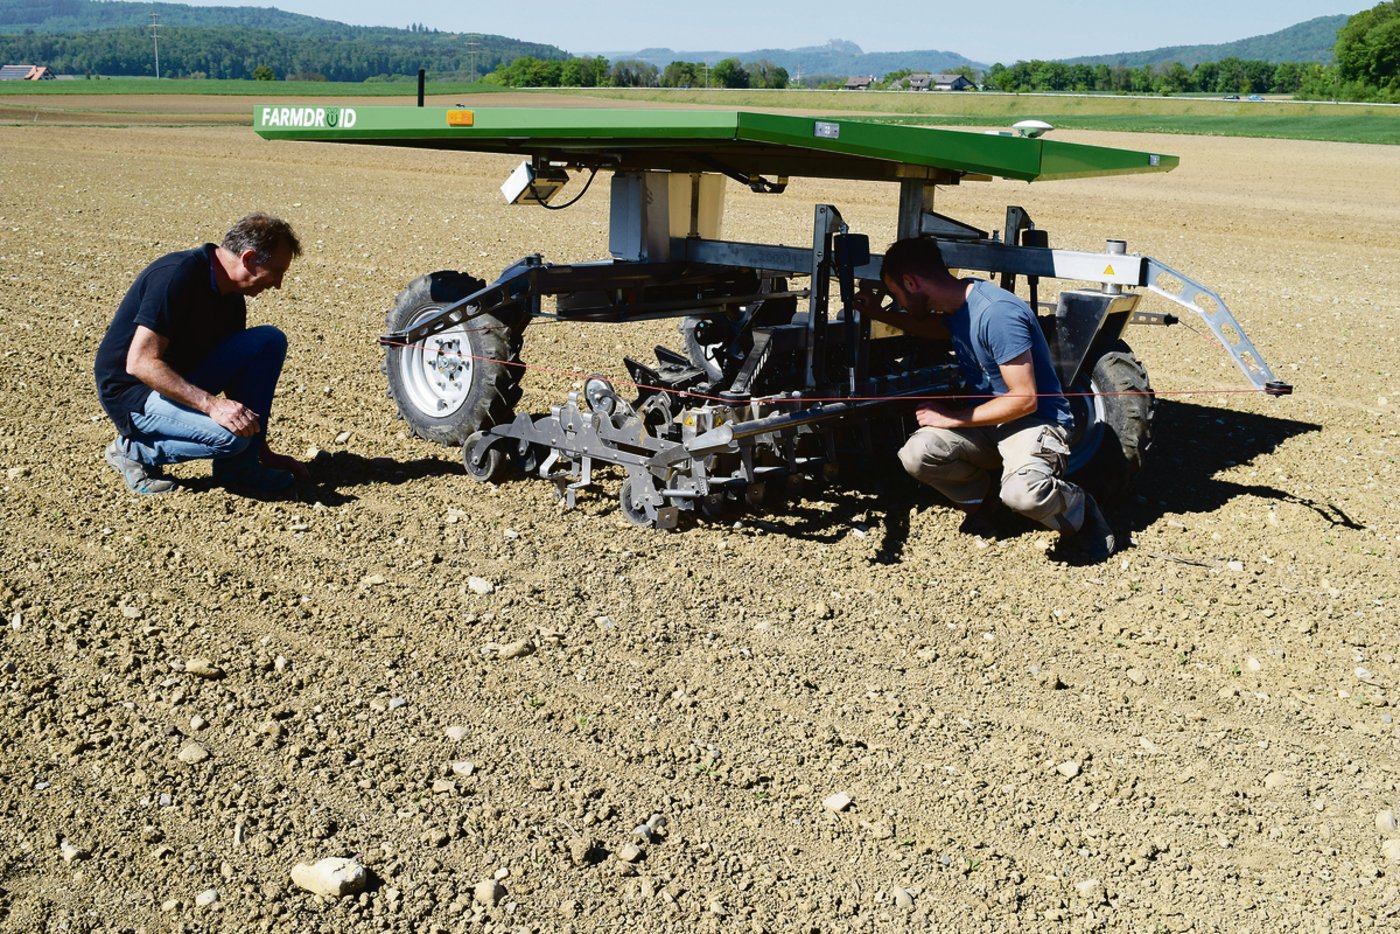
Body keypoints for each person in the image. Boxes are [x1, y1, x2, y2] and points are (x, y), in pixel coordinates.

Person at [855, 237, 1116, 561]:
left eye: (897, 295)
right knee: (917, 453)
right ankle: (989, 503)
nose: (901, 303)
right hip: (989, 421)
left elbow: (1025, 399)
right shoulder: (959, 306)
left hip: (1034, 422)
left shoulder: (997, 314)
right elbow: (936, 330)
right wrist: (878, 314)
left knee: (1024, 494)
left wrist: (952, 418)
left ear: (911, 282)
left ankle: (1081, 511)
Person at [94, 213, 310, 495]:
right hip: (133, 392)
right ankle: (134, 450)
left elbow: (240, 377)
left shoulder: (230, 295)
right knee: (230, 438)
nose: (278, 284)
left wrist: (262, 451)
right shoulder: (176, 276)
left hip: (178, 379)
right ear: (248, 259)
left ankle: (241, 469)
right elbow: (141, 363)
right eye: (277, 271)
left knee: (267, 341)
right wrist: (212, 406)